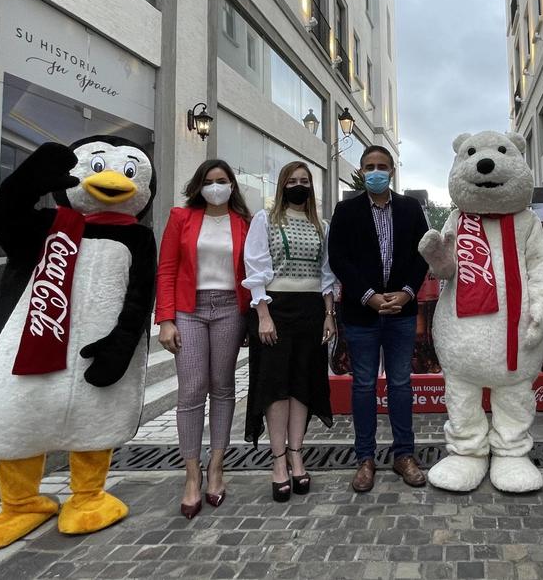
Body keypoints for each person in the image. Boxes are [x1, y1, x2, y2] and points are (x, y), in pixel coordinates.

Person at [328, 145, 430, 493]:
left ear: (392, 172)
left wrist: (406, 292)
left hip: (402, 311)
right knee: (364, 385)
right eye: (369, 166)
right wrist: (368, 296)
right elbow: (339, 258)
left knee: (401, 384)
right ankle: (365, 458)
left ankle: (404, 455)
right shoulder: (346, 210)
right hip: (362, 313)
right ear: (360, 171)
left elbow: (423, 254)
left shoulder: (410, 208)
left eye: (382, 166)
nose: (376, 171)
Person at [155, 159, 252, 518]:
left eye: (223, 180)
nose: (216, 186)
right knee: (192, 389)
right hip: (189, 309)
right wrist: (165, 319)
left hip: (230, 308)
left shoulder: (244, 222)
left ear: (232, 185)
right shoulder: (181, 217)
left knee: (223, 386)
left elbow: (252, 269)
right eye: (210, 181)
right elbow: (166, 268)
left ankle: (217, 467)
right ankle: (192, 474)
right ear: (199, 185)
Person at [242, 161, 337, 502]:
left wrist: (329, 314)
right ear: (282, 185)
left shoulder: (320, 225)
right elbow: (255, 266)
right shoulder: (265, 220)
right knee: (276, 386)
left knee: (302, 384)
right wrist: (263, 314)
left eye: (304, 181)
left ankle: (297, 453)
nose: (299, 185)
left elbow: (326, 273)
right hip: (275, 308)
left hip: (311, 310)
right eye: (293, 180)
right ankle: (278, 459)